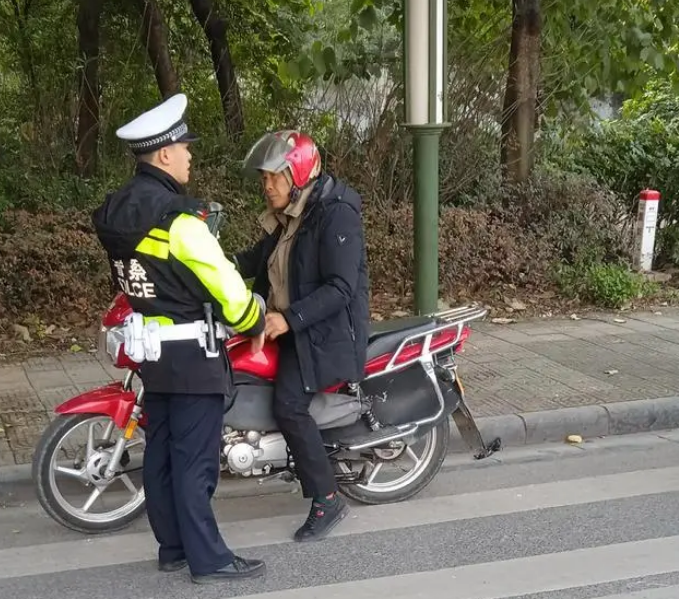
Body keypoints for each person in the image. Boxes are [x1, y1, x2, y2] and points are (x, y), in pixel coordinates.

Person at [91, 93, 267, 584]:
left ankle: (172, 548)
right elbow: (229, 292)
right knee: (195, 462)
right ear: (164, 154)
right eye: (185, 147)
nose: (190, 154)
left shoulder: (116, 211)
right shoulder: (179, 220)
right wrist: (255, 318)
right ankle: (209, 559)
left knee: (163, 455)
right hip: (192, 354)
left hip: (151, 352)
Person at [234, 130, 370, 542]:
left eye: (274, 176)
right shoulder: (292, 216)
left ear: (298, 172)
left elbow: (341, 287)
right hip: (296, 325)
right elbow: (255, 260)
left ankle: (328, 499)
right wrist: (207, 267)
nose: (267, 185)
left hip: (324, 333)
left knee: (290, 406)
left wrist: (287, 319)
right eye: (263, 178)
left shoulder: (335, 214)